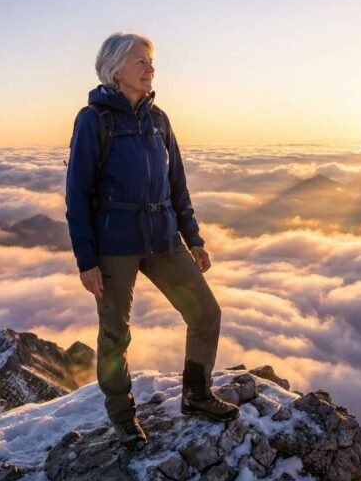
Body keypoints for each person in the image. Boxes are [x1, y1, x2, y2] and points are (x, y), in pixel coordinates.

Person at [65, 31, 239, 450]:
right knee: (114, 337)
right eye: (140, 61)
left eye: (150, 61)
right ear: (115, 69)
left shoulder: (159, 120)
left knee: (205, 314)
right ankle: (123, 418)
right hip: (114, 244)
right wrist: (86, 260)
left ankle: (196, 396)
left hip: (164, 239)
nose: (150, 69)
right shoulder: (94, 120)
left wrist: (193, 237)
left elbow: (177, 183)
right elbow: (77, 194)